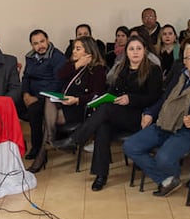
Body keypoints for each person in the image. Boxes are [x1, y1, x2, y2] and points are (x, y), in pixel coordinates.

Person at [52, 36, 163, 190]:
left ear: (145, 50)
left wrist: (130, 99)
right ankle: (101, 175)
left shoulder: (153, 70)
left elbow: (154, 97)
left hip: (139, 116)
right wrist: (108, 97)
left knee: (106, 110)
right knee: (103, 125)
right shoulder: (122, 68)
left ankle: (75, 139)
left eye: (139, 48)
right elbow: (112, 90)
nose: (135, 52)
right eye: (131, 49)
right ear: (127, 52)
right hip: (119, 113)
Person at [122, 43, 190, 196]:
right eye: (189, 58)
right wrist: (150, 113)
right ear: (184, 62)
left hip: (189, 129)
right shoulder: (179, 76)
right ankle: (167, 180)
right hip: (163, 123)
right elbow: (164, 100)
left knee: (163, 158)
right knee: (130, 146)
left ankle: (168, 180)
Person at [30, 36, 106, 172]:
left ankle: (44, 150)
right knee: (48, 101)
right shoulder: (73, 64)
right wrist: (77, 64)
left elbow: (97, 95)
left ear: (88, 51)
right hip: (65, 104)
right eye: (74, 49)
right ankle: (51, 141)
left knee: (48, 122)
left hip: (81, 108)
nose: (74, 52)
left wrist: (77, 100)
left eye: (78, 49)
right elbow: (60, 75)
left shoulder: (98, 69)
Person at [19, 29, 67, 162]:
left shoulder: (58, 57)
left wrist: (37, 97)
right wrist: (25, 94)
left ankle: (37, 147)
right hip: (32, 94)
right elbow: (26, 77)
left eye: (42, 41)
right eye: (36, 43)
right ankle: (18, 142)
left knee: (34, 110)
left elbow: (58, 83)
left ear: (48, 40)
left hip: (50, 96)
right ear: (32, 45)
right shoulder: (30, 57)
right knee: (12, 102)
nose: (40, 46)